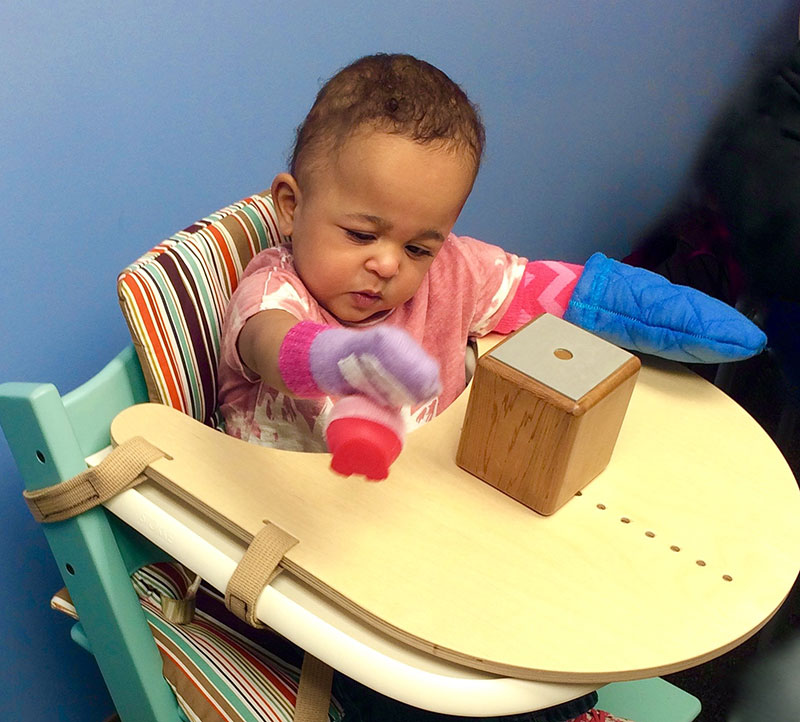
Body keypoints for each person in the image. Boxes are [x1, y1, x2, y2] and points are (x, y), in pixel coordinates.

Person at [218, 53, 765, 722]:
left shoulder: (446, 275)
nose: (388, 263)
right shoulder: (276, 288)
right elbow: (267, 343)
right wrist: (336, 356)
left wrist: (646, 308)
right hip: (310, 568)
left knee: (558, 592)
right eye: (362, 233)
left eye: (420, 246)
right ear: (290, 206)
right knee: (434, 693)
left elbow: (543, 290)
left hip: (422, 532)